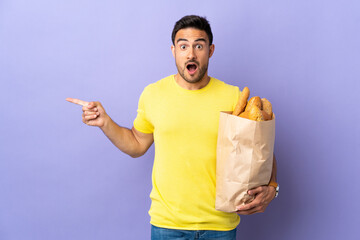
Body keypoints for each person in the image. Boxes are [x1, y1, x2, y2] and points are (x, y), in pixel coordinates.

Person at [67, 15, 278, 240]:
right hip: (167, 226)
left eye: (199, 45)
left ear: (211, 50)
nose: (191, 53)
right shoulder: (153, 95)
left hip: (220, 226)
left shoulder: (233, 98)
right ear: (173, 50)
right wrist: (105, 123)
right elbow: (137, 145)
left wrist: (272, 188)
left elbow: (260, 153)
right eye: (183, 46)